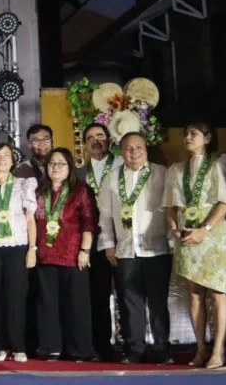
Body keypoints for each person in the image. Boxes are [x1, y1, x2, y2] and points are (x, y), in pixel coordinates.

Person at [162, 122, 226, 369]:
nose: (188, 137)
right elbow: (170, 205)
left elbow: (224, 203)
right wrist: (174, 227)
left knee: (217, 292)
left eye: (193, 133)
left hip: (212, 234)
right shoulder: (176, 169)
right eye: (185, 133)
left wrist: (204, 231)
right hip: (186, 232)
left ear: (207, 137)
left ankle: (218, 351)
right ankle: (201, 348)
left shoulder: (220, 163)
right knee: (194, 294)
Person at [97, 132, 173, 364]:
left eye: (138, 147)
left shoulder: (162, 173)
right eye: (128, 148)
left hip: (157, 248)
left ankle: (162, 348)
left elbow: (172, 208)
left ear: (146, 149)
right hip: (126, 249)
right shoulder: (111, 178)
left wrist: (173, 241)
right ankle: (134, 349)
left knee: (158, 302)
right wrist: (109, 246)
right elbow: (105, 216)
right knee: (130, 303)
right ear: (121, 151)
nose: (134, 152)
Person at [33, 147, 97, 361]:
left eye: (61, 163)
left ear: (70, 167)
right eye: (52, 163)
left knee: (76, 304)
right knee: (48, 304)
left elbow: (89, 223)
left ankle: (78, 349)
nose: (56, 167)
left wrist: (85, 250)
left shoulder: (80, 191)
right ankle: (51, 347)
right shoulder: (39, 192)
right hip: (45, 255)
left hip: (72, 255)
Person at [0, 142, 38, 362]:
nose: (2, 159)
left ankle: (19, 346)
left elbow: (30, 218)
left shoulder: (24, 184)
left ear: (13, 160)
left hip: (17, 246)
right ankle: (2, 346)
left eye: (6, 155)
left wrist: (32, 249)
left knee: (16, 297)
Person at [79, 123, 120, 360]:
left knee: (127, 294)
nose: (96, 140)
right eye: (90, 137)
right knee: (97, 295)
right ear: (84, 144)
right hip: (91, 243)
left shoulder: (121, 166)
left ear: (109, 140)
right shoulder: (79, 174)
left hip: (121, 240)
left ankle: (137, 344)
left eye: (100, 136)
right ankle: (101, 345)